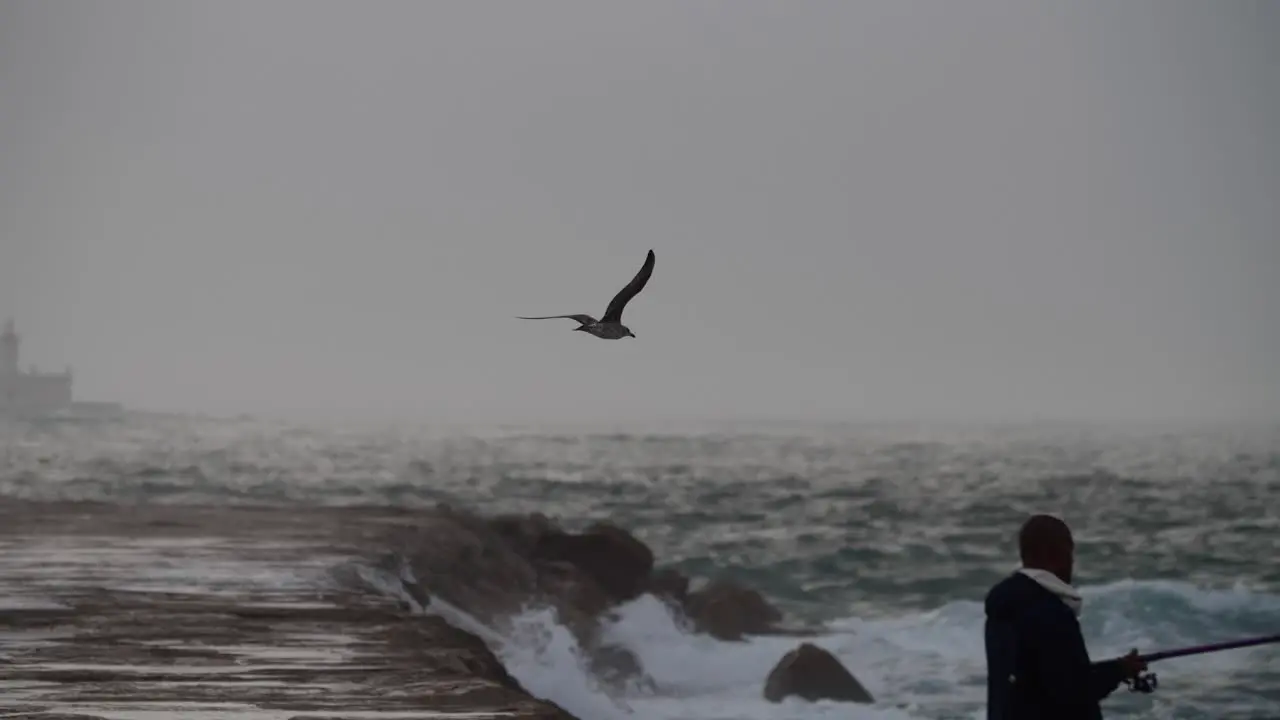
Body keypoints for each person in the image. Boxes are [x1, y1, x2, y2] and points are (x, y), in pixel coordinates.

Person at [984, 514, 1147, 720]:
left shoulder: (1004, 608)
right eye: (1070, 553)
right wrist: (1119, 671)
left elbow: (1043, 676)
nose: (1071, 562)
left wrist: (1117, 667)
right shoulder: (1049, 612)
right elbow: (1073, 690)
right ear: (1056, 554)